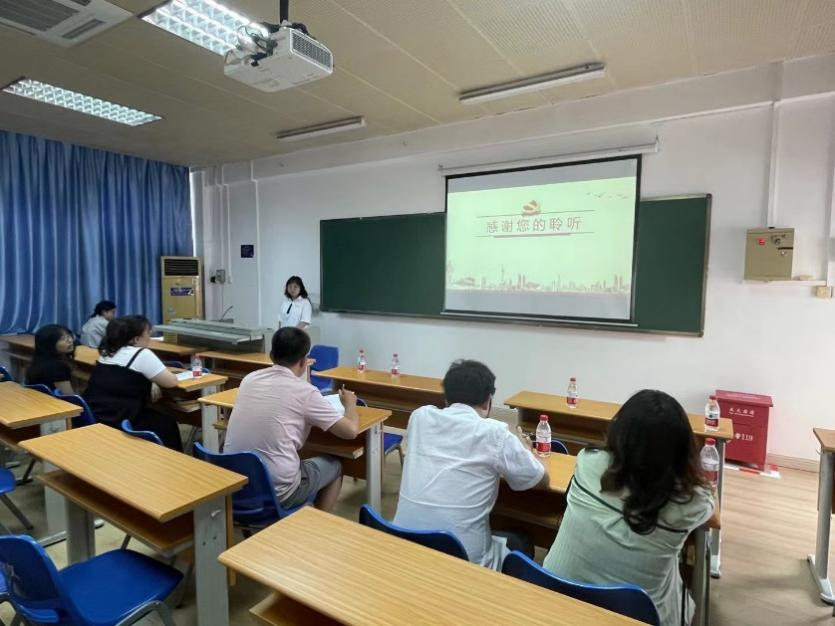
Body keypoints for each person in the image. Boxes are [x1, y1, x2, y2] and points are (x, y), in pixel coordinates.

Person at [542, 389, 714, 626]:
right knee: (682, 594)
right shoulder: (691, 502)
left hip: (555, 595)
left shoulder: (588, 460)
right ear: (682, 449)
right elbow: (709, 503)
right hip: (635, 614)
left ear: (619, 430)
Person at [393, 359, 549, 570]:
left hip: (403, 546)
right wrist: (529, 452)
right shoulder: (495, 433)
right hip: (461, 565)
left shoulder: (419, 417)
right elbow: (540, 480)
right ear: (488, 402)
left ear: (446, 398)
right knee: (521, 539)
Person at [224, 327, 359, 512]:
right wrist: (350, 404)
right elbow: (350, 431)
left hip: (236, 486)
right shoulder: (305, 392)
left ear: (271, 355)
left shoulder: (249, 379)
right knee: (335, 466)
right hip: (277, 493)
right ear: (304, 361)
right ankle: (318, 522)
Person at [82, 315, 182, 451]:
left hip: (95, 413)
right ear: (135, 339)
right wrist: (154, 381)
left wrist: (153, 381)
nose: (150, 336)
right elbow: (171, 382)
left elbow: (130, 376)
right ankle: (173, 459)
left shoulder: (108, 351)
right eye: (148, 333)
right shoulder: (141, 353)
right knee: (166, 422)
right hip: (120, 418)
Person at [25, 324, 76, 395]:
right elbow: (68, 396)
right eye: (62, 339)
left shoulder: (37, 361)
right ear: (49, 345)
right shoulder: (58, 367)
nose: (70, 341)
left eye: (69, 336)